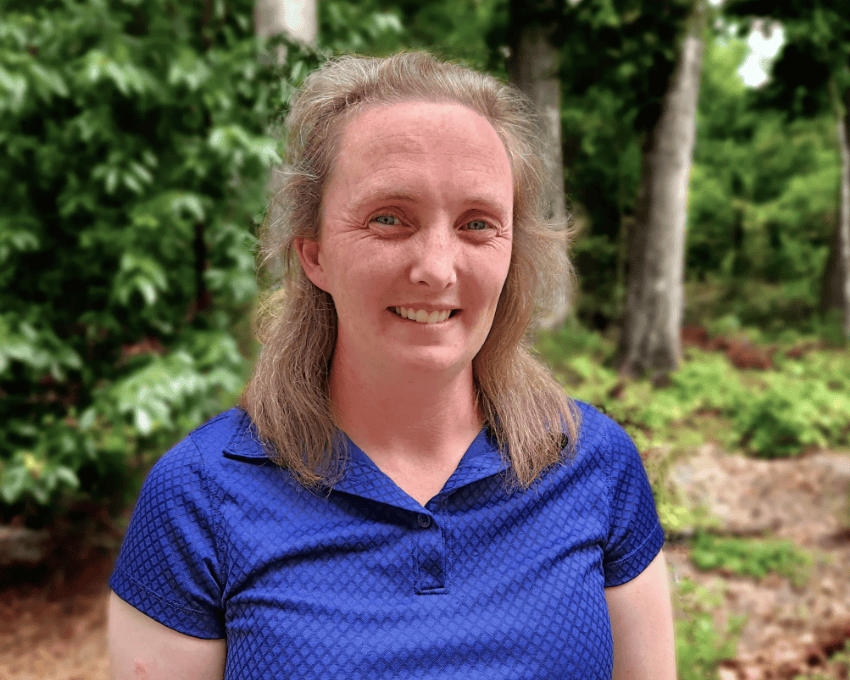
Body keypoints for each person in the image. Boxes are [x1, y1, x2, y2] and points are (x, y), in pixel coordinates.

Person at [107, 52, 676, 679]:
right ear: (315, 255)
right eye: (388, 219)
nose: (436, 267)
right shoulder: (197, 499)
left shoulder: (594, 464)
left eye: (477, 224)